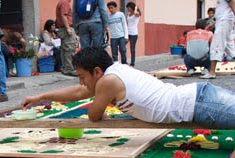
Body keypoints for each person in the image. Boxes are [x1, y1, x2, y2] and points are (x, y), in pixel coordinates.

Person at [21, 47, 235, 129]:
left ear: (96, 71)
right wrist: (41, 96)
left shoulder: (108, 81)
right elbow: (79, 93)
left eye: (82, 77)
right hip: (199, 98)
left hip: (200, 103)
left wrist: (98, 102)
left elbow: (94, 115)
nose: (81, 83)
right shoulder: (112, 72)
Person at [202, 0, 235, 79]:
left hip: (224, 21)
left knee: (216, 45)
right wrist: (213, 24)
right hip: (223, 21)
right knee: (230, 47)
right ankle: (212, 72)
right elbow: (222, 11)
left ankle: (212, 72)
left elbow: (232, 3)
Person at [56, 0, 78, 76]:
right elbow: (64, 15)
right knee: (70, 48)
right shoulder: (65, 2)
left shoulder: (61, 2)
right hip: (66, 28)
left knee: (65, 49)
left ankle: (66, 68)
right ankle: (69, 69)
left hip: (62, 28)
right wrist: (68, 28)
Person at [125, 2, 140, 67]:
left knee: (132, 48)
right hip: (128, 33)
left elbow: (136, 13)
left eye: (129, 8)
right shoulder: (128, 14)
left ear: (132, 7)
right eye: (127, 8)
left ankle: (132, 63)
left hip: (134, 33)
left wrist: (136, 8)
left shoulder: (137, 14)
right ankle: (124, 61)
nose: (128, 9)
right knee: (122, 46)